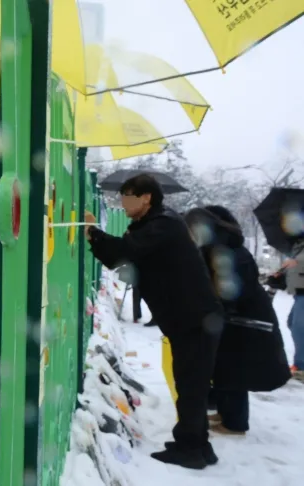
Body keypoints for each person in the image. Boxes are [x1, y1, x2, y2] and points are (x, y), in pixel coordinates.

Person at [84, 174, 224, 470]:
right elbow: (131, 262)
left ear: (146, 198)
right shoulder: (156, 224)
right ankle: (198, 445)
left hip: (194, 320)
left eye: (127, 196)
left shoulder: (164, 225)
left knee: (191, 387)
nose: (122, 203)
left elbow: (126, 251)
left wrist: (92, 233)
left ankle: (191, 450)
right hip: (189, 318)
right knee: (191, 385)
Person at [185, 206, 290, 435]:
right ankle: (226, 413)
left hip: (242, 321)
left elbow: (229, 291)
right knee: (224, 368)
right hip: (235, 319)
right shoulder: (222, 246)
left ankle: (235, 423)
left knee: (233, 370)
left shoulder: (226, 250)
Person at [268, 239, 304, 380]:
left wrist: (297, 263)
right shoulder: (297, 247)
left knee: (299, 327)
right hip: (299, 292)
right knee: (292, 323)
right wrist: (281, 276)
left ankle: (301, 366)